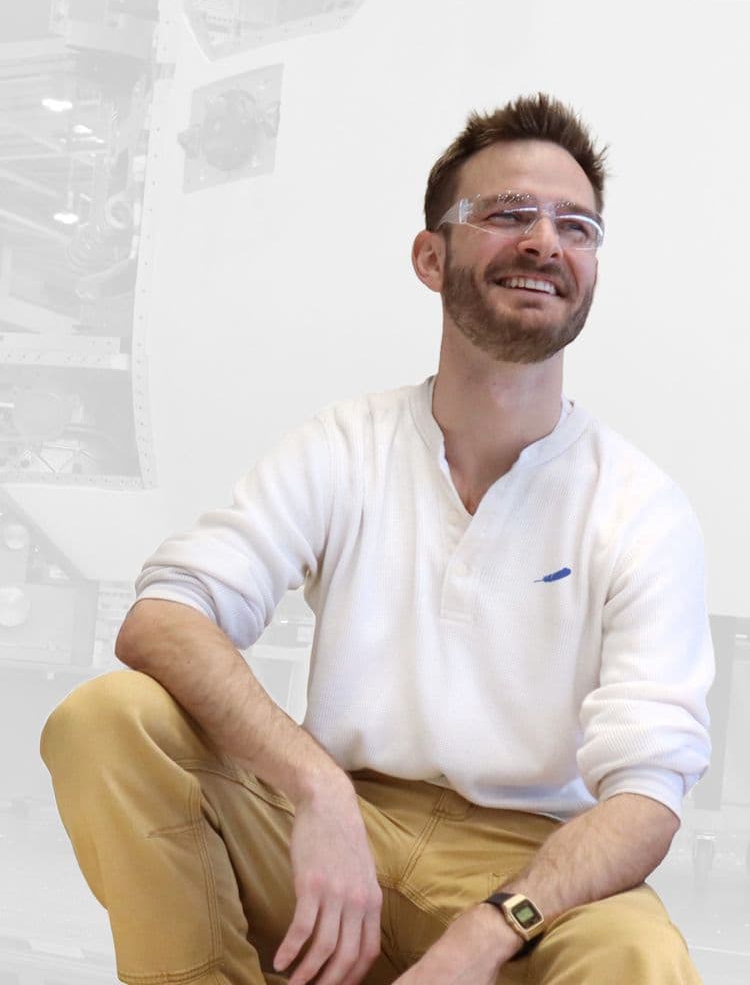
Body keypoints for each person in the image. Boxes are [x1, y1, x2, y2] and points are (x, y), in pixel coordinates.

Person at [41, 92, 714, 985]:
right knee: (105, 720)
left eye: (576, 227)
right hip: (338, 834)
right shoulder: (346, 444)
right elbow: (165, 616)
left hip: (526, 866)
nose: (547, 242)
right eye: (509, 214)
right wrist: (317, 790)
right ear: (431, 258)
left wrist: (487, 932)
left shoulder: (639, 507)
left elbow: (647, 797)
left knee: (638, 957)